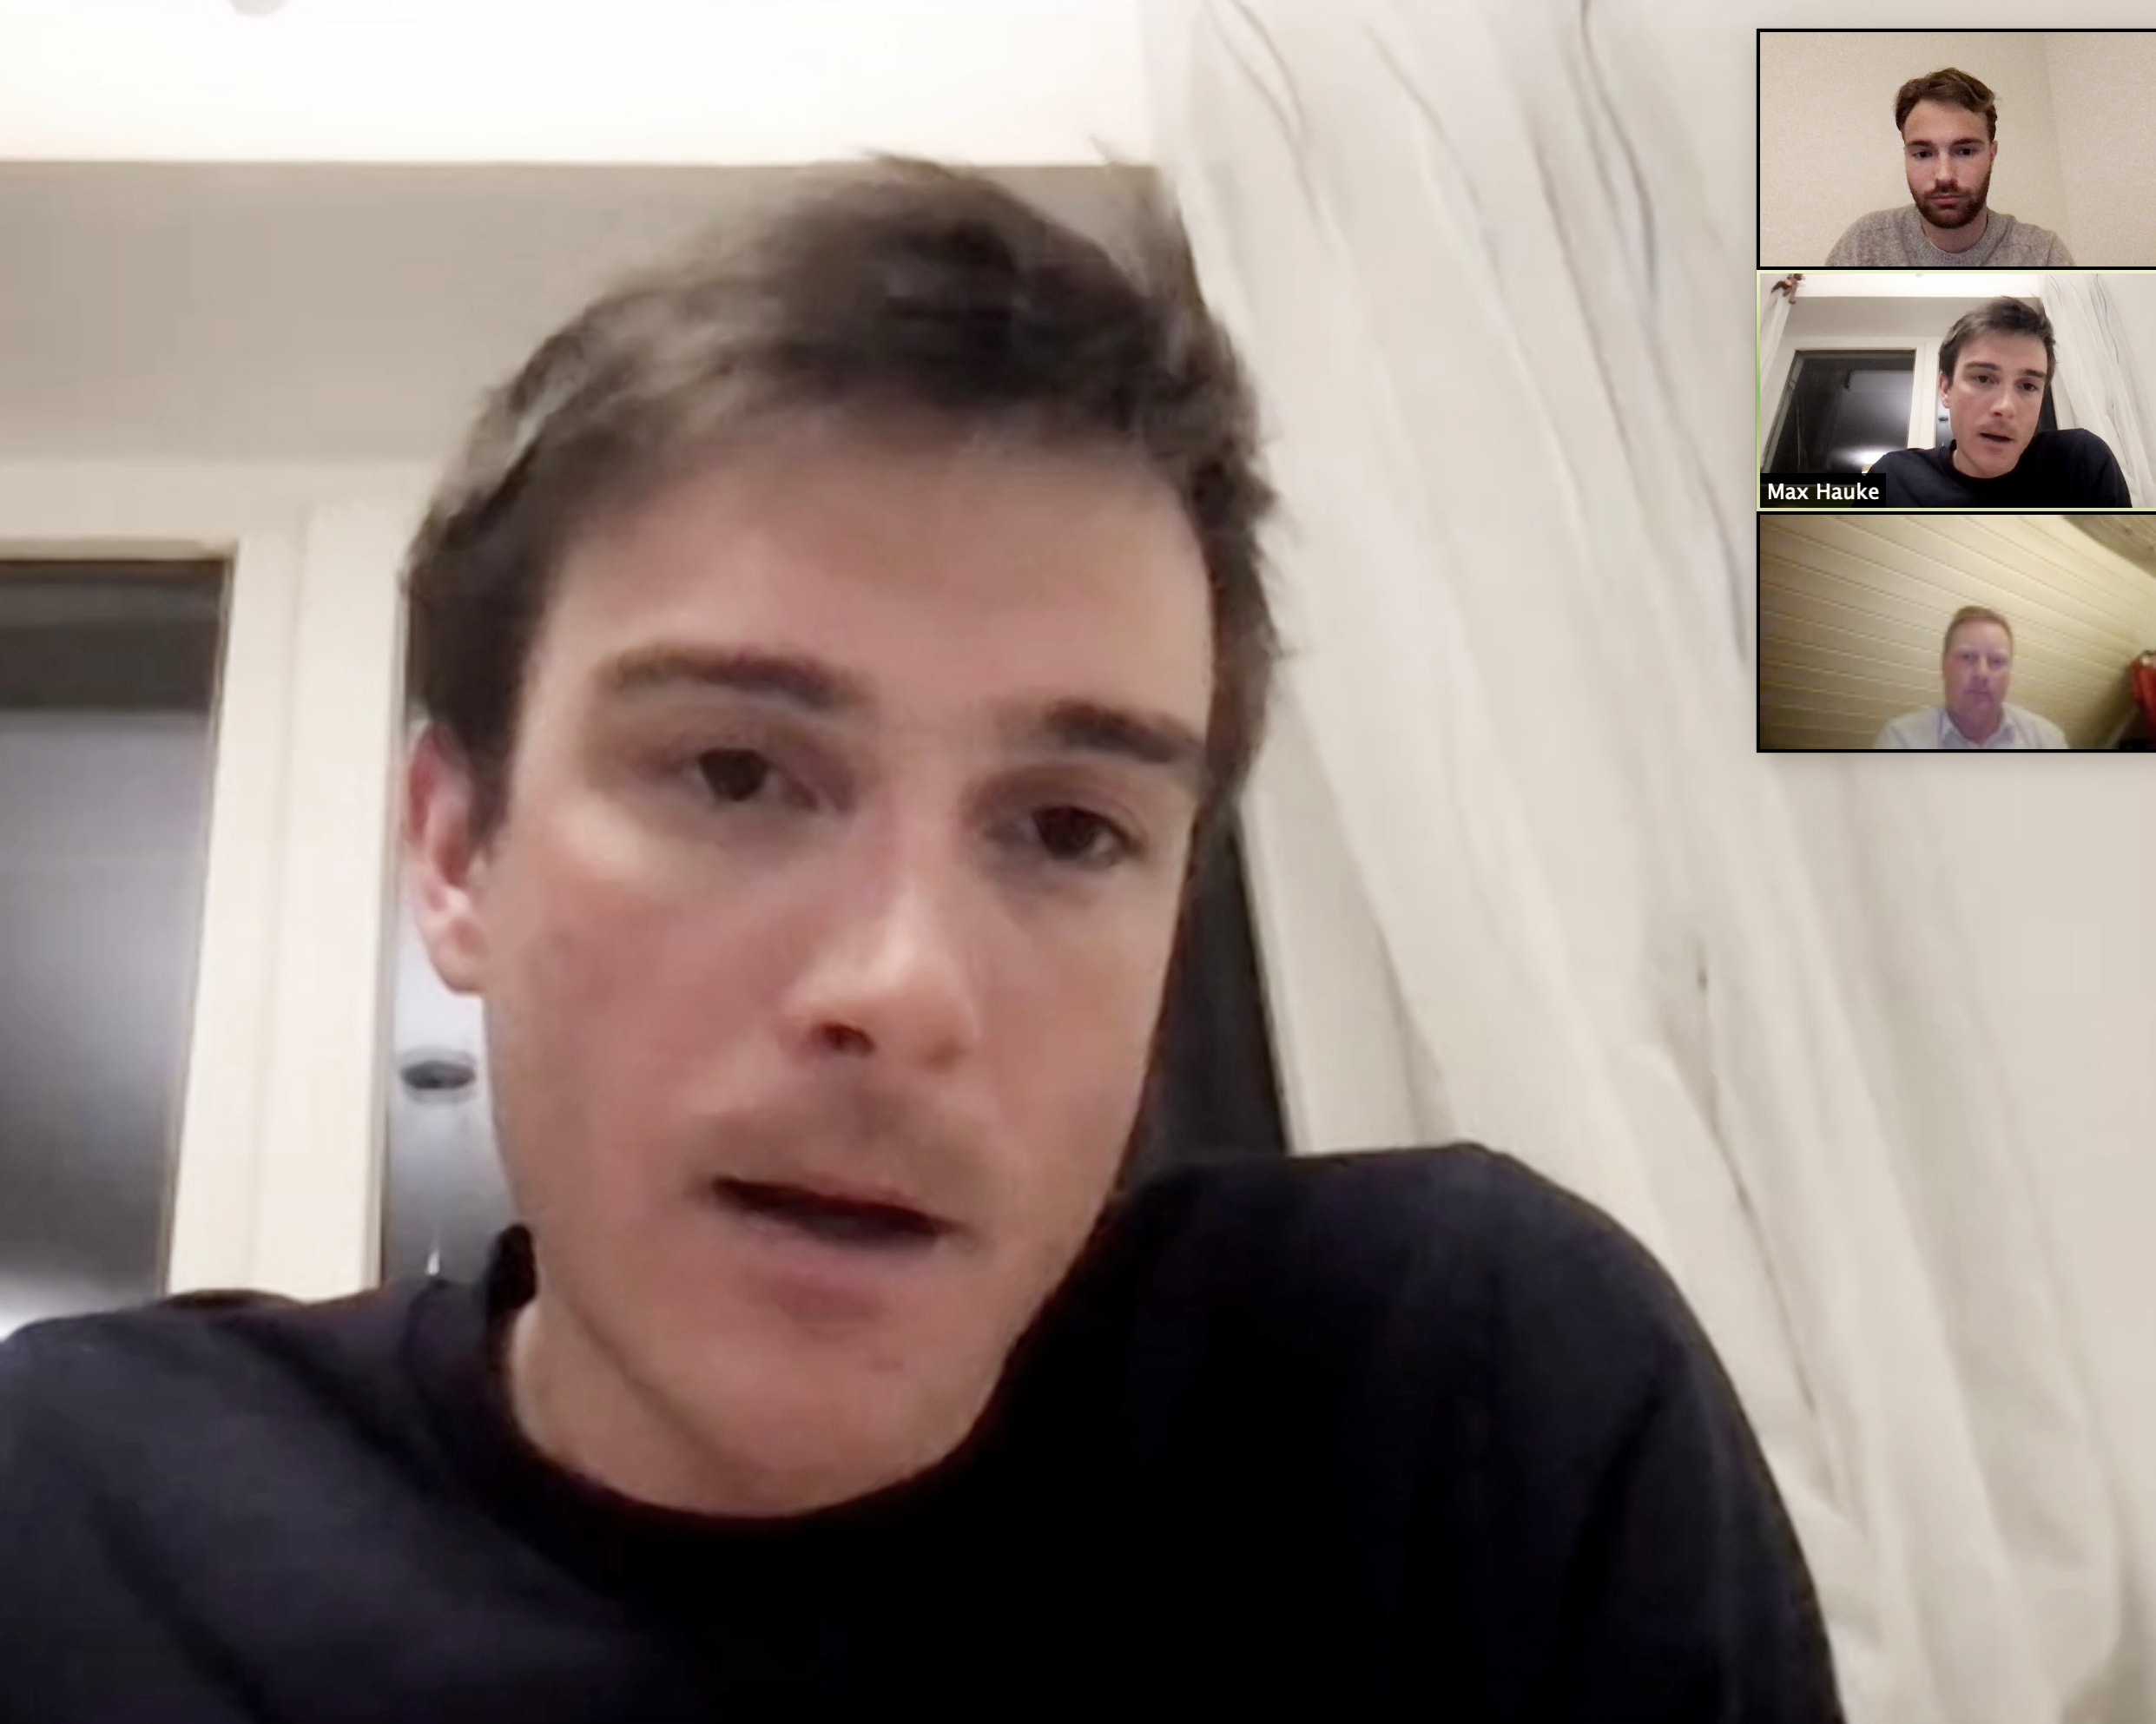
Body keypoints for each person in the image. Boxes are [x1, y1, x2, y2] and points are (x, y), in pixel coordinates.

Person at [0, 161, 1844, 1721]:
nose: (898, 989)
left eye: (1066, 829)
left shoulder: (1454, 1419)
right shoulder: (71, 1530)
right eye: (733, 773)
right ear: (454, 852)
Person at [1869, 298, 2132, 506]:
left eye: (2028, 386)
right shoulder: (1891, 476)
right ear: (1946, 389)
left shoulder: (2081, 463)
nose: (2005, 407)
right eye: (1983, 379)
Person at [1825, 68, 2074, 266]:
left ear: (1992, 155)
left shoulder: (2042, 254)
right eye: (1923, 154)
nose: (1944, 176)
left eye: (1964, 152)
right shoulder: (1863, 244)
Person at [1876, 606, 2068, 748]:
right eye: (1967, 657)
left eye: (1996, 661)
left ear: (2009, 675)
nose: (1982, 673)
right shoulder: (1900, 740)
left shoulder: (2047, 740)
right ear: (1943, 666)